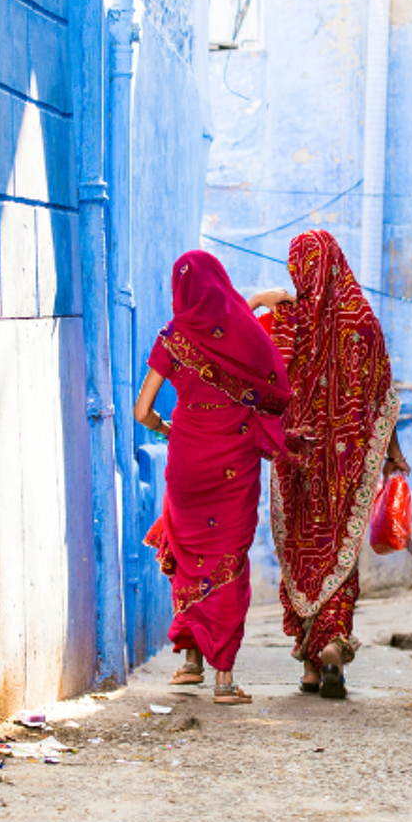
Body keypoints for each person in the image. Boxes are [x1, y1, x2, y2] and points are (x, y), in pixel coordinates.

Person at [251, 230, 408, 700]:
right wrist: (393, 453)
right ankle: (334, 644)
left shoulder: (288, 320)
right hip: (347, 462)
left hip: (295, 457)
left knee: (303, 552)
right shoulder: (363, 321)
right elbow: (383, 398)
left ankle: (310, 667)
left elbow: (259, 368)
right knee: (339, 552)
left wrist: (272, 298)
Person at [133, 250, 291, 705]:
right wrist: (262, 301)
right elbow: (266, 374)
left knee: (189, 554)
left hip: (186, 458)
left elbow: (143, 411)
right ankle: (224, 679)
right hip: (232, 460)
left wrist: (169, 428)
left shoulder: (171, 338)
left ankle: (189, 663)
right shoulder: (240, 331)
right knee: (227, 557)